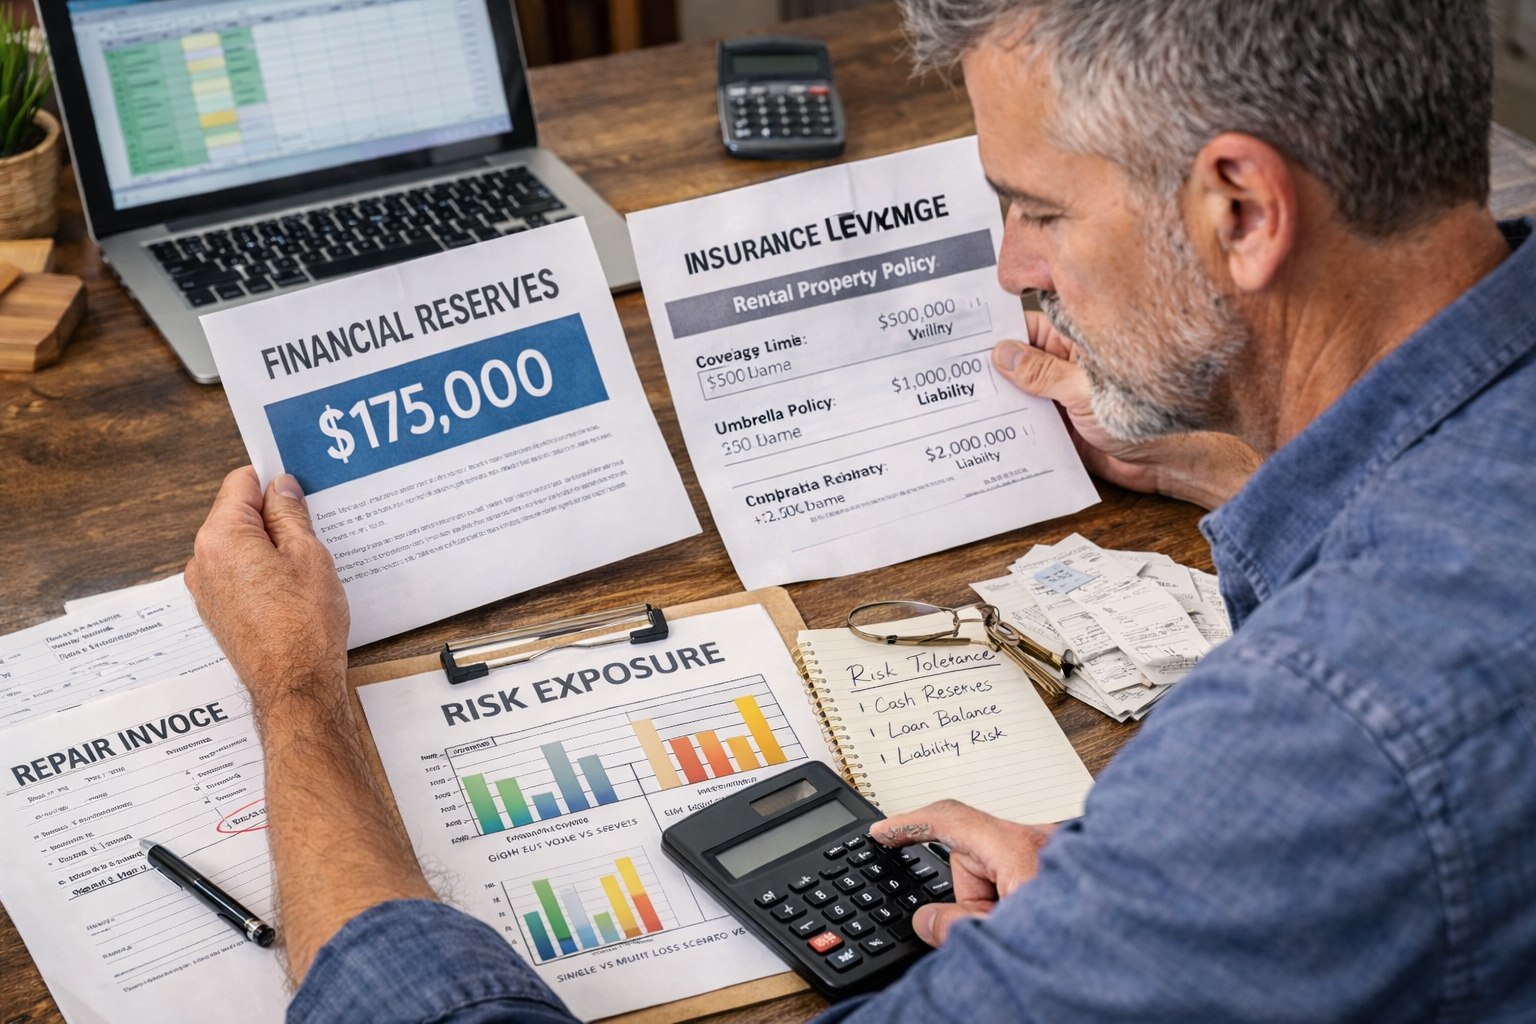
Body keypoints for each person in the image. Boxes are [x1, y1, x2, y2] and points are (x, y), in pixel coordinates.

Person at [185, 0, 1536, 1020]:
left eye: (1034, 209)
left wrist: (299, 698)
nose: (1011, 268)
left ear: (1241, 208)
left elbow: (1359, 775)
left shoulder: (1328, 733)